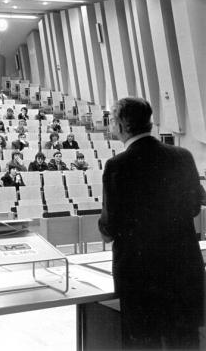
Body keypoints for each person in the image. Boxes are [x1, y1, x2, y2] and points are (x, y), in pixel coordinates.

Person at [98, 97, 204, 350]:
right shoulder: (183, 156)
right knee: (184, 339)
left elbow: (110, 227)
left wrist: (104, 231)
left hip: (140, 273)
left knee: (145, 341)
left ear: (121, 125)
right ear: (149, 122)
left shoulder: (117, 165)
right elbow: (193, 206)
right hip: (182, 266)